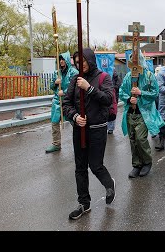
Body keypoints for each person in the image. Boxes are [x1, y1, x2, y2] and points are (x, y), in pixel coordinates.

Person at [62, 48, 116, 220]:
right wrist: (75, 116)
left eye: (83, 61)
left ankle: (109, 184)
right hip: (80, 129)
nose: (80, 64)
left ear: (90, 60)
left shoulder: (103, 78)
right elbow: (66, 103)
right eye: (77, 62)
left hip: (97, 129)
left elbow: (108, 99)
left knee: (95, 165)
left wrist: (89, 88)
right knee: (80, 167)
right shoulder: (74, 79)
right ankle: (84, 203)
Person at [119, 50, 164, 178]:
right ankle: (136, 165)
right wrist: (128, 99)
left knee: (140, 139)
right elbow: (121, 91)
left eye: (136, 59)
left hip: (144, 114)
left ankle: (147, 162)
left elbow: (155, 93)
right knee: (132, 140)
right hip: (130, 113)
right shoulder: (128, 76)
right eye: (132, 59)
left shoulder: (149, 76)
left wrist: (141, 93)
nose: (134, 62)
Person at [45, 51, 78, 153]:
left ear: (67, 60)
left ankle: (81, 141)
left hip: (69, 101)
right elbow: (51, 86)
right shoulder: (57, 73)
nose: (61, 61)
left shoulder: (73, 72)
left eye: (63, 59)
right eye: (60, 60)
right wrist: (55, 83)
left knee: (75, 121)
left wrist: (64, 92)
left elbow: (75, 87)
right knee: (55, 122)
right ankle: (56, 144)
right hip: (57, 101)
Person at [107, 69, 122, 134]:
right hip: (106, 96)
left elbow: (118, 85)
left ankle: (111, 128)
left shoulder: (116, 77)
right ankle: (106, 126)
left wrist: (111, 88)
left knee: (112, 112)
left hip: (114, 97)